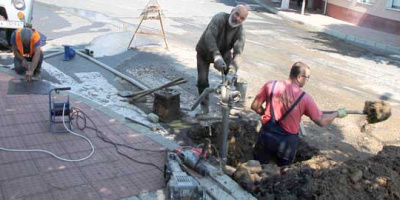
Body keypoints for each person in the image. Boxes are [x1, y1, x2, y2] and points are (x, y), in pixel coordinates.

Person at [251, 61, 347, 168]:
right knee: (283, 172)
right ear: (300, 77)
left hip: (266, 136)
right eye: (307, 77)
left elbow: (255, 106)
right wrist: (337, 113)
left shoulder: (270, 85)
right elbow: (322, 121)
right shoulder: (305, 98)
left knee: (257, 168)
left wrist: (266, 114)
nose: (307, 80)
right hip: (286, 143)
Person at [195, 4, 249, 114]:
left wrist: (232, 72)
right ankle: (204, 108)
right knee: (202, 80)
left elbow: (238, 54)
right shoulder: (219, 18)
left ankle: (227, 109)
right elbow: (209, 37)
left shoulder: (240, 32)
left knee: (230, 80)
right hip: (204, 52)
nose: (237, 18)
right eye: (236, 14)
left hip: (224, 53)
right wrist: (216, 56)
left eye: (242, 18)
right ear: (232, 10)